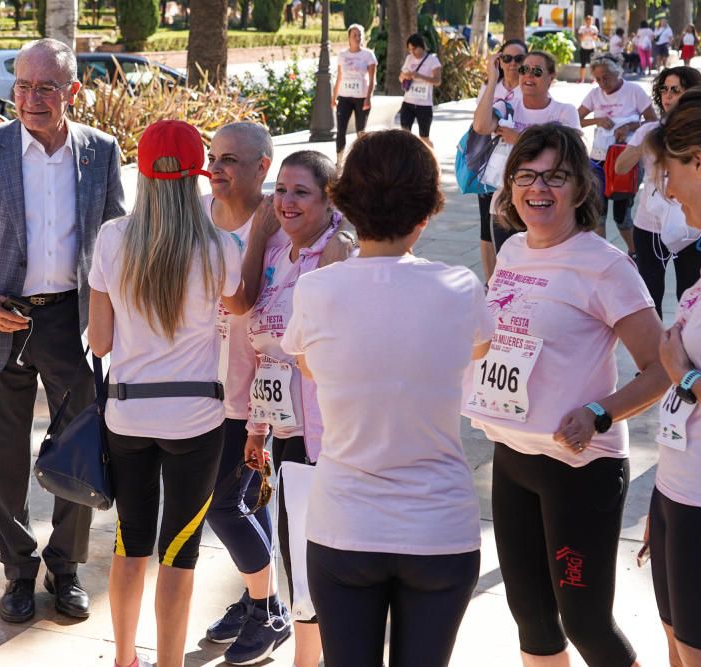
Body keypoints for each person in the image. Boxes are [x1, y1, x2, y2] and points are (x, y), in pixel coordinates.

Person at [0, 38, 126, 623]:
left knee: (83, 450)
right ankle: (17, 570)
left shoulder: (101, 150)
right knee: (1, 458)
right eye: (22, 85)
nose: (31, 98)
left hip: (72, 320)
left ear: (73, 91)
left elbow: (114, 241)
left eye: (45, 87)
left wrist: (113, 318)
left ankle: (64, 568)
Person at [463, 124, 667, 667]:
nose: (539, 189)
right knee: (529, 612)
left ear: (581, 188)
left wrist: (600, 413)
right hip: (512, 458)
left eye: (556, 177)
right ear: (510, 188)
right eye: (526, 176)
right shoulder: (510, 254)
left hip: (579, 467)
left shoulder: (603, 264)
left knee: (585, 622)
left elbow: (661, 369)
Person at [286, 131, 488, 667]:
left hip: (344, 524)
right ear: (427, 210)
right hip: (440, 526)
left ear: (346, 201)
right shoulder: (461, 287)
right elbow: (478, 348)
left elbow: (309, 364)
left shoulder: (316, 290)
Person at [86, 119, 246, 667]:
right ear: (195, 178)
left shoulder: (111, 238)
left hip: (127, 415)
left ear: (144, 175)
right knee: (180, 553)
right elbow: (240, 305)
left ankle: (124, 658)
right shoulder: (219, 248)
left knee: (130, 542)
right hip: (196, 421)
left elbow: (100, 342)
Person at [240, 150, 355, 667]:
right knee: (299, 567)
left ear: (329, 199)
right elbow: (264, 345)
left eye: (300, 192)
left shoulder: (341, 253)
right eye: (280, 190)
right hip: (286, 430)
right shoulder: (273, 251)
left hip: (333, 437)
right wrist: (256, 427)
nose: (285, 202)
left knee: (336, 567)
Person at [201, 122, 294, 665]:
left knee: (224, 505)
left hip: (250, 398)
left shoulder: (281, 230)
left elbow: (250, 303)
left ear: (264, 167)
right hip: (196, 389)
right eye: (214, 156)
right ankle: (256, 595)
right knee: (244, 503)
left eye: (232, 159)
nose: (218, 167)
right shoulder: (196, 219)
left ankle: (268, 609)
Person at [645, 86, 701, 667]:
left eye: (669, 173)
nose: (667, 191)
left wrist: (687, 378)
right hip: (680, 492)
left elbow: (689, 373)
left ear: (698, 160)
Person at [473, 51, 581, 274]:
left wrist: (520, 139)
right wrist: (493, 78)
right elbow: (481, 127)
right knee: (508, 273)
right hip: (506, 206)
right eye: (524, 70)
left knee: (545, 274)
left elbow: (574, 154)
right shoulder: (508, 106)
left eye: (537, 71)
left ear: (551, 77)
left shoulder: (564, 111)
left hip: (547, 205)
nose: (528, 75)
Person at [614, 66, 701, 318]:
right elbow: (620, 167)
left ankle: (687, 349)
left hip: (694, 226)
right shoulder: (649, 130)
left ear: (692, 93)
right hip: (650, 226)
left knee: (690, 295)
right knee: (649, 294)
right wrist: (644, 143)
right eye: (664, 89)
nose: (667, 95)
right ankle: (656, 353)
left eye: (675, 90)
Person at [579, 54, 658, 256]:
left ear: (617, 73)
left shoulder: (634, 91)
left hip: (626, 161)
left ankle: (634, 253)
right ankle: (601, 256)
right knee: (597, 214)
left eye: (606, 77)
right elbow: (575, 119)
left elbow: (653, 122)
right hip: (598, 160)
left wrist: (630, 126)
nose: (602, 83)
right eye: (598, 79)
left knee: (622, 216)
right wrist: (597, 121)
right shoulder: (594, 94)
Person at [474, 39, 527, 281]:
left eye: (518, 59)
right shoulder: (489, 87)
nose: (512, 64)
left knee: (518, 225)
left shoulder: (529, 88)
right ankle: (490, 281)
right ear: (499, 60)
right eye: (507, 58)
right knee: (487, 226)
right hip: (490, 165)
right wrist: (492, 77)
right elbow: (479, 124)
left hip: (518, 168)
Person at [331, 23, 377, 169]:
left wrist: (368, 97)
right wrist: (334, 96)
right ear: (349, 38)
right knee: (341, 130)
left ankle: (361, 162)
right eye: (354, 35)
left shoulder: (368, 55)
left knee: (361, 132)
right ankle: (339, 161)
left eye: (359, 35)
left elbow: (372, 79)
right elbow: (339, 77)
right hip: (344, 97)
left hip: (361, 97)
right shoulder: (343, 55)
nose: (357, 38)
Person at [398, 33, 441, 148]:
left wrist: (420, 76)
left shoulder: (433, 60)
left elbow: (437, 81)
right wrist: (405, 76)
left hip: (424, 104)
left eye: (414, 49)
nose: (412, 52)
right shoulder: (409, 58)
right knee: (405, 134)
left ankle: (433, 160)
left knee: (424, 138)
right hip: (408, 102)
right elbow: (400, 76)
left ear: (421, 46)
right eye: (410, 50)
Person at [578, 14, 600, 83]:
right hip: (583, 47)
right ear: (585, 21)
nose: (588, 22)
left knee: (592, 65)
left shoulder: (594, 28)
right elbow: (581, 38)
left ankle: (593, 79)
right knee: (582, 64)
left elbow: (595, 37)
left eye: (590, 20)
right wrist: (589, 34)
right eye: (587, 20)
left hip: (591, 47)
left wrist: (587, 34)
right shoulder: (582, 28)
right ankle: (582, 79)